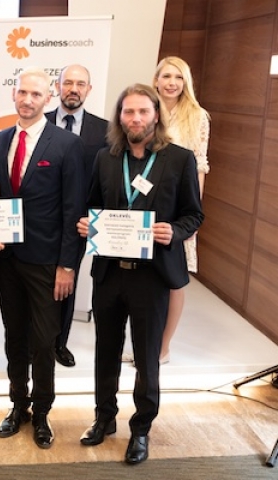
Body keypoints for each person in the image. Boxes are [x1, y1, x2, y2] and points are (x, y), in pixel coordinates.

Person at [76, 84, 204, 465]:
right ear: (119, 117)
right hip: (110, 273)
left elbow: (194, 214)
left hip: (152, 276)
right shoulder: (105, 158)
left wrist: (174, 232)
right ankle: (104, 418)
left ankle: (141, 429)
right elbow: (92, 205)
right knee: (106, 351)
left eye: (143, 112)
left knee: (147, 357)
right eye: (128, 112)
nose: (135, 119)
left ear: (155, 116)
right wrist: (87, 224)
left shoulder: (180, 159)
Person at [0, 68, 84, 449]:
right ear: (14, 94)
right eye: (23, 92)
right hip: (6, 260)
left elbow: (73, 208)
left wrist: (67, 265)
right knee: (14, 337)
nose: (28, 100)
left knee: (45, 341)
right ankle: (18, 404)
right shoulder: (0, 139)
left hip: (46, 261)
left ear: (49, 98)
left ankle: (43, 412)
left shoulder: (67, 144)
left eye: (36, 94)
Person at [45, 64, 109, 368]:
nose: (73, 89)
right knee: (39, 282)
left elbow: (107, 179)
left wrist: (98, 218)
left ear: (89, 89)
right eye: (68, 82)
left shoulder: (105, 130)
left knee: (67, 281)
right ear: (57, 86)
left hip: (80, 222)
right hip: (41, 219)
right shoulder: (39, 122)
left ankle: (60, 342)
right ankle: (37, 341)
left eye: (80, 84)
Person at [154, 56, 210, 364]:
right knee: (147, 278)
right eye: (166, 76)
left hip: (179, 208)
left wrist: (193, 215)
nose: (172, 83)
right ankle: (145, 342)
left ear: (185, 82)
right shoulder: (147, 108)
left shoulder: (197, 116)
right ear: (156, 80)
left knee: (175, 278)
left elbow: (200, 166)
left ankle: (163, 347)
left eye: (178, 77)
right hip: (148, 205)